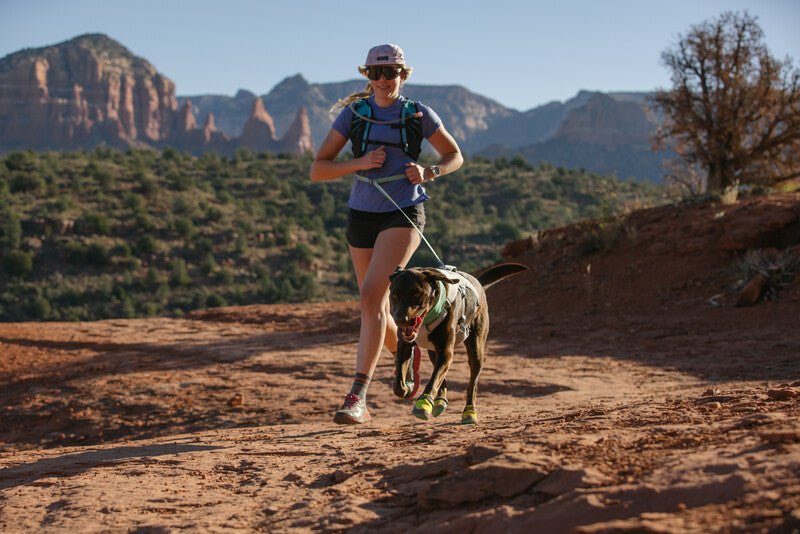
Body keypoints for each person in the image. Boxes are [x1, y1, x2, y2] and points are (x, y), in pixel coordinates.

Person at [309, 44, 463, 424]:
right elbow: (318, 169)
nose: (383, 80)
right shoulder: (354, 115)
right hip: (361, 214)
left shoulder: (418, 114)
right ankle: (408, 355)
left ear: (403, 75)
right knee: (373, 306)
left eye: (390, 72)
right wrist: (360, 162)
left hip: (403, 212)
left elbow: (454, 156)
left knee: (370, 297)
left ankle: (357, 397)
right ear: (367, 76)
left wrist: (430, 172)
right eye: (376, 73)